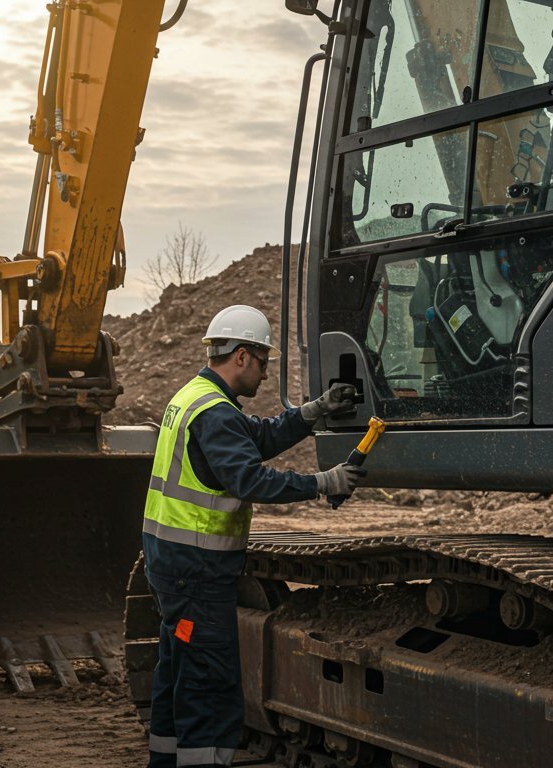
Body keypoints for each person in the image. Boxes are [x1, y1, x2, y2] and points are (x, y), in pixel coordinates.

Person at [142, 304, 362, 767]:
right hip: (198, 573)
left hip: (173, 566)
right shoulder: (215, 413)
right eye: (263, 362)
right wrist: (323, 483)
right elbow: (249, 478)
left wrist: (312, 412)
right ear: (241, 356)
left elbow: (255, 437)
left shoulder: (194, 397)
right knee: (210, 687)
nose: (264, 374)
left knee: (178, 672)